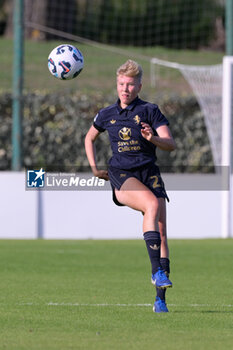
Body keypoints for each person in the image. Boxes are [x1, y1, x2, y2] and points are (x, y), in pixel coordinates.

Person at [85, 59, 176, 313]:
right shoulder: (106, 114)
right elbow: (89, 138)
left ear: (139, 86)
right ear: (117, 84)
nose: (125, 89)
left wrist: (153, 138)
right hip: (122, 174)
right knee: (150, 205)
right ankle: (156, 271)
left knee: (162, 230)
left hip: (149, 173)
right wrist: (94, 168)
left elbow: (170, 143)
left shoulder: (150, 110)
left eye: (131, 85)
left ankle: (160, 300)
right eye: (121, 84)